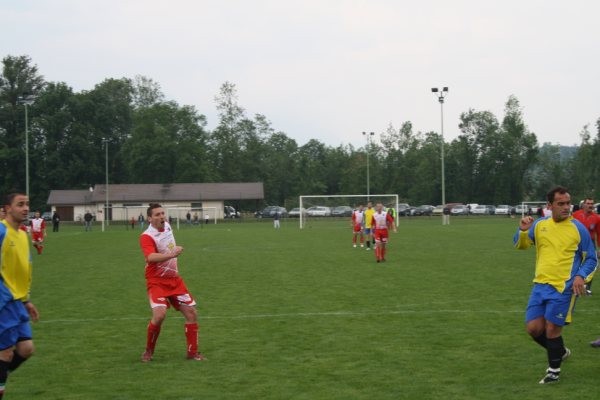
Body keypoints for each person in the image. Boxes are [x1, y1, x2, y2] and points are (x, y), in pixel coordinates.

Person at [514, 186, 597, 384]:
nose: (566, 207)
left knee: (552, 329)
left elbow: (591, 259)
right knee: (533, 329)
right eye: (561, 204)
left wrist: (580, 276)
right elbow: (520, 245)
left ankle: (553, 372)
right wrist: (523, 231)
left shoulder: (578, 228)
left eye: (568, 203)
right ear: (549, 206)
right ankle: (560, 351)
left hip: (564, 288)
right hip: (540, 285)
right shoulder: (540, 225)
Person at [140, 203, 204, 362]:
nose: (162, 216)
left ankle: (192, 353)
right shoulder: (147, 236)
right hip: (156, 281)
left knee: (191, 313)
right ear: (149, 219)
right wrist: (171, 254)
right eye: (157, 214)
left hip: (174, 280)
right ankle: (148, 351)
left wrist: (172, 251)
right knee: (159, 315)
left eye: (162, 213)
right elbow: (150, 257)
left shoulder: (167, 226)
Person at [0, 191, 40, 399]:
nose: (25, 208)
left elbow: (23, 270)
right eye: (20, 204)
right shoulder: (1, 231)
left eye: (27, 204)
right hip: (4, 301)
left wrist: (26, 300)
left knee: (26, 349)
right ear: (7, 208)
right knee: (5, 352)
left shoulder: (23, 235)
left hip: (18, 301)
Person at [572, 198, 600, 296]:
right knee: (575, 264)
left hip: (590, 244)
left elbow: (599, 233)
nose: (590, 205)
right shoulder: (575, 215)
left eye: (592, 203)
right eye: (588, 203)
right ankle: (573, 286)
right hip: (576, 243)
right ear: (583, 205)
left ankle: (586, 288)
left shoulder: (596, 218)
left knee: (590, 265)